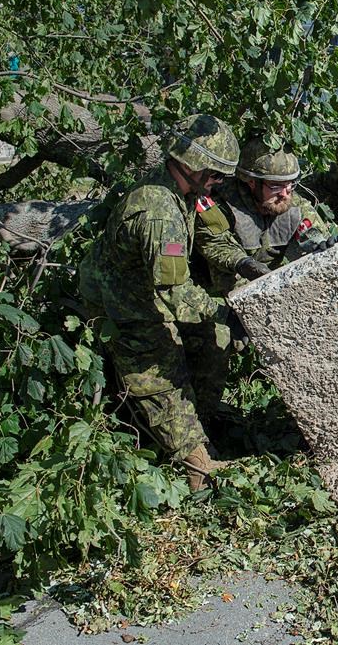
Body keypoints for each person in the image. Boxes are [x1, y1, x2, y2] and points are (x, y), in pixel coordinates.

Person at [79, 114, 249, 490]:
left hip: (146, 295)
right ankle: (198, 471)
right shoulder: (160, 212)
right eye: (216, 175)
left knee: (213, 343)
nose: (218, 183)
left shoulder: (183, 193)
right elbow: (175, 294)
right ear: (193, 165)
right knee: (162, 379)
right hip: (122, 308)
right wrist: (226, 313)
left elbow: (214, 237)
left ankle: (200, 423)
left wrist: (244, 265)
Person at [197, 136, 338, 297]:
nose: (285, 194)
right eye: (275, 186)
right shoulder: (221, 205)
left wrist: (320, 243)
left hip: (271, 285)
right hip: (215, 294)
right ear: (252, 182)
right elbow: (217, 246)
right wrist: (243, 263)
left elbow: (310, 229)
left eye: (290, 184)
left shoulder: (294, 205)